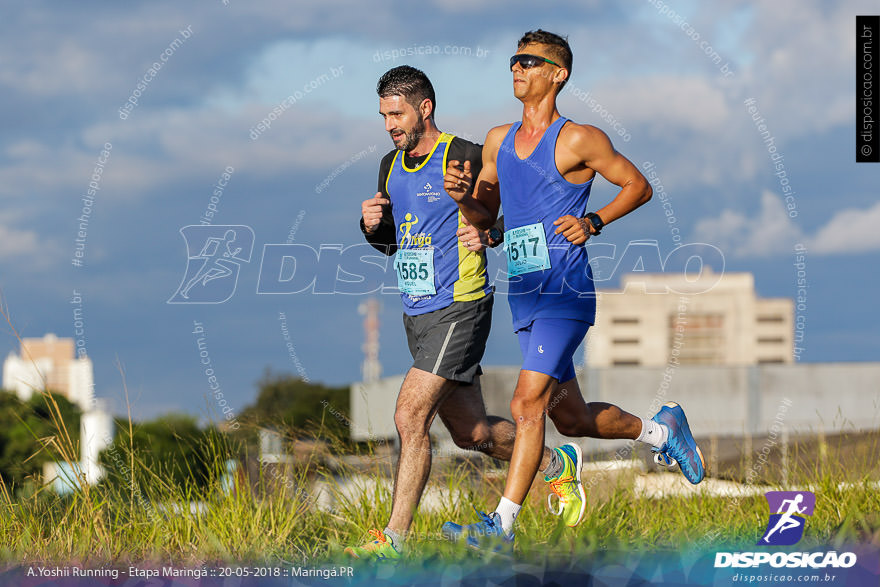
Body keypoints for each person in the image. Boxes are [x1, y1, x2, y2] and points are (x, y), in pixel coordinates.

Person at [441, 30, 705, 549]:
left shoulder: (578, 139)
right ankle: (662, 430)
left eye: (528, 61)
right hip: (525, 293)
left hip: (565, 292)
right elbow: (486, 214)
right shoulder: (496, 140)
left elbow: (638, 185)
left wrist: (594, 220)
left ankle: (502, 526)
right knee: (573, 418)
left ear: (557, 74)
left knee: (525, 405)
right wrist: (463, 202)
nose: (516, 68)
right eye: (513, 60)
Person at [345, 65, 561, 561]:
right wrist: (370, 225)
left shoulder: (464, 153)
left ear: (424, 108)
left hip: (461, 303)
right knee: (472, 434)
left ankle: (392, 540)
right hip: (416, 310)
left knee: (408, 415)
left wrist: (491, 231)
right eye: (383, 115)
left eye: (396, 114)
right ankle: (551, 462)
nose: (389, 125)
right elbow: (391, 245)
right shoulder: (389, 163)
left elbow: (526, 205)